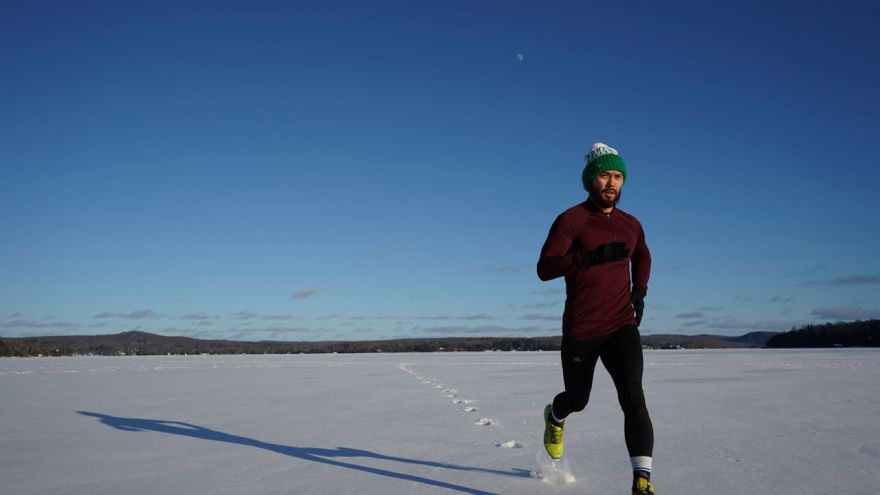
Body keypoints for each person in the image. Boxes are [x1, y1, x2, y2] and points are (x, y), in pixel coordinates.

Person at [536, 142, 655, 495]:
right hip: (582, 329)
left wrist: (640, 290)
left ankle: (642, 482)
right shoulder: (571, 220)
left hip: (621, 324)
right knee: (578, 398)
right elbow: (544, 268)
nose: (612, 183)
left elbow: (643, 255)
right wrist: (586, 259)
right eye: (605, 175)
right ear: (591, 179)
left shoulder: (631, 224)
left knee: (633, 397)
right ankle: (555, 416)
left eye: (618, 176)